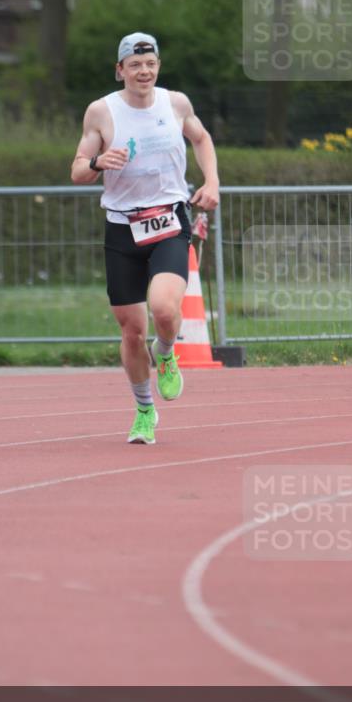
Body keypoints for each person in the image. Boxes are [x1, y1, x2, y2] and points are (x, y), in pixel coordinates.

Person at [71, 32, 219, 444]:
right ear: (120, 70)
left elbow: (202, 138)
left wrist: (212, 182)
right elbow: (78, 170)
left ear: (158, 67)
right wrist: (99, 162)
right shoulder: (101, 112)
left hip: (170, 220)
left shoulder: (176, 104)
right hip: (122, 227)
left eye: (150, 64)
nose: (144, 71)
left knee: (164, 312)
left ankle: (167, 353)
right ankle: (143, 410)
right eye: (135, 65)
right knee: (132, 331)